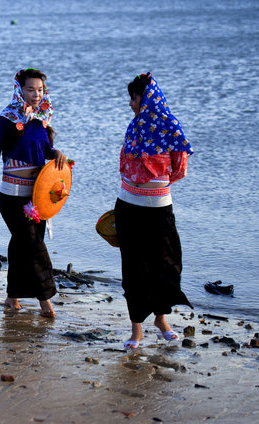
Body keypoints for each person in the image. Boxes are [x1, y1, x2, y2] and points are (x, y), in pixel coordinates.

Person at [115, 73, 194, 349]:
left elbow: (180, 167)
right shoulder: (134, 127)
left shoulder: (170, 126)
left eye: (133, 98)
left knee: (167, 264)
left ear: (146, 98)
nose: (130, 104)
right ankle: (136, 330)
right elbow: (124, 164)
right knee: (133, 269)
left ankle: (161, 320)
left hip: (159, 207)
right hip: (128, 206)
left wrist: (155, 186)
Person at [0, 68, 67, 318]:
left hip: (37, 197)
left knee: (21, 245)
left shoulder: (42, 119)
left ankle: (12, 297)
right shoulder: (6, 119)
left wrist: (56, 153)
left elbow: (43, 150)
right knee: (34, 244)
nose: (36, 94)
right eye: (30, 89)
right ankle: (45, 299)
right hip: (12, 196)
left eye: (40, 90)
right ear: (20, 90)